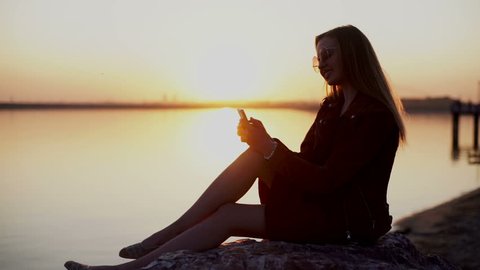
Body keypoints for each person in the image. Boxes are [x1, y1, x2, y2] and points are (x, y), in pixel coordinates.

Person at [65, 24, 406, 270]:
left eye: (329, 54)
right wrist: (266, 145)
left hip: (344, 222)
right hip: (321, 207)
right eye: (318, 59)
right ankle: (168, 233)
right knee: (255, 155)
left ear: (353, 54)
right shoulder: (332, 108)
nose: (322, 64)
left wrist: (272, 149)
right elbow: (308, 163)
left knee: (230, 211)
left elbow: (328, 179)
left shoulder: (373, 115)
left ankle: (129, 268)